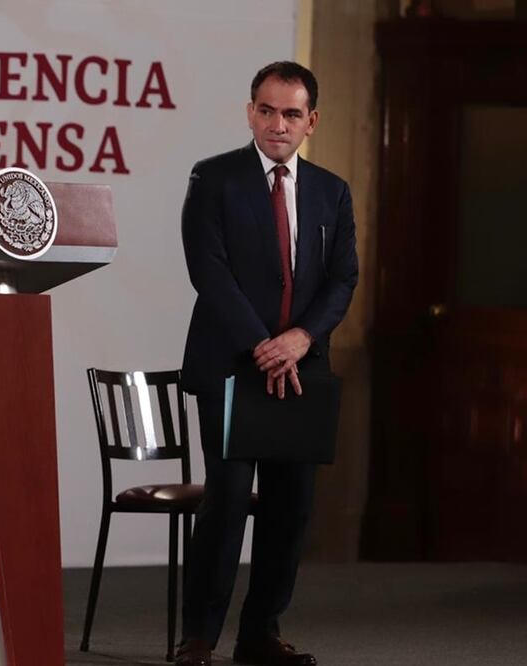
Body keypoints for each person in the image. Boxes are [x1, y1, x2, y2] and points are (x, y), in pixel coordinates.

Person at [176, 62, 358, 666]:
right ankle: (198, 638)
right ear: (250, 111)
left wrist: (301, 339)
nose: (276, 124)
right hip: (233, 364)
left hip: (303, 368)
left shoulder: (332, 191)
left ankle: (260, 635)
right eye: (265, 110)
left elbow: (342, 278)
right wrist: (265, 345)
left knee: (290, 507)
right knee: (227, 500)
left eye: (290, 113)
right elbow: (209, 271)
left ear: (312, 120)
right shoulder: (215, 178)